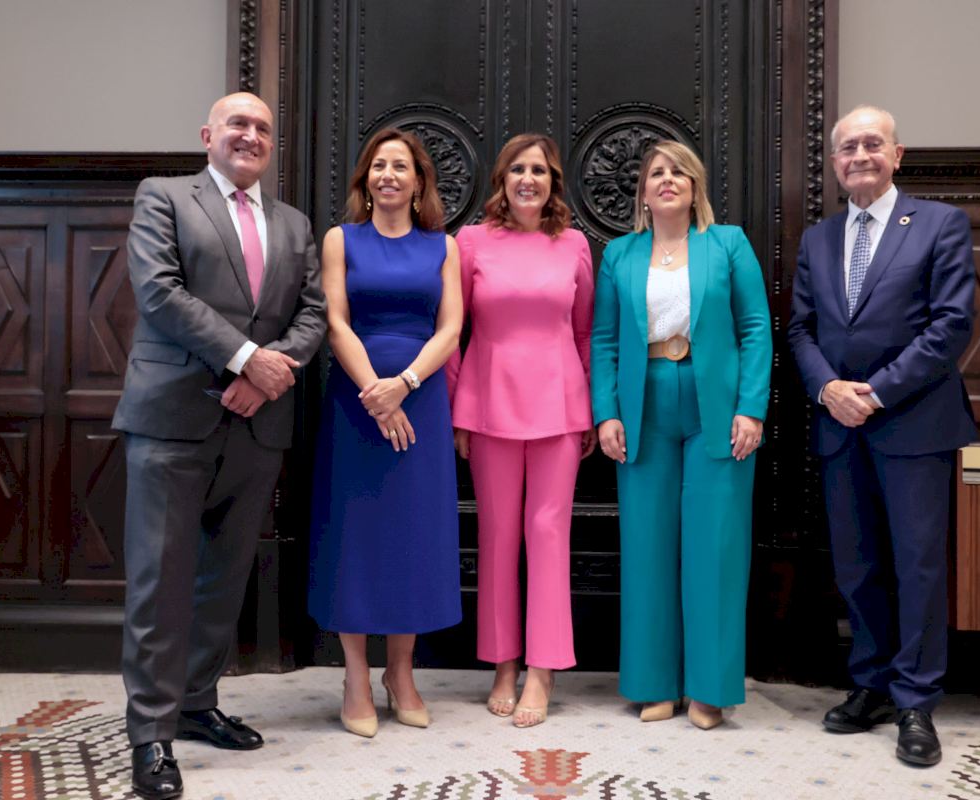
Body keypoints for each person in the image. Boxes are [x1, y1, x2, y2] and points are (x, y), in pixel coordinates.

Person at [112, 92, 326, 800]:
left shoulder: (294, 225)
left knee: (223, 579)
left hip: (256, 427)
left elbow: (313, 313)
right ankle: (151, 733)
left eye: (263, 127)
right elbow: (159, 292)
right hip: (172, 419)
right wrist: (246, 359)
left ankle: (197, 703)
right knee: (160, 582)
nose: (251, 135)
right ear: (208, 134)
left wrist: (267, 376)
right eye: (238, 123)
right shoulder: (164, 197)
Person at [787, 105, 976, 767]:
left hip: (913, 423)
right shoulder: (818, 239)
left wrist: (876, 391)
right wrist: (827, 389)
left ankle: (916, 700)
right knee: (857, 564)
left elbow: (951, 325)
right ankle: (869, 683)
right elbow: (800, 330)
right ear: (834, 163)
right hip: (839, 427)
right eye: (848, 147)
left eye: (873, 144)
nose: (860, 155)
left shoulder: (940, 223)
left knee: (918, 565)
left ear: (897, 155)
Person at [591, 140, 771, 730]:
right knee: (647, 547)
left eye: (678, 173)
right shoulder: (619, 254)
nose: (667, 180)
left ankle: (709, 689)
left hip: (715, 402)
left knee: (716, 548)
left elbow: (755, 327)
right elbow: (604, 339)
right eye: (656, 173)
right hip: (643, 405)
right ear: (643, 191)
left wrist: (751, 408)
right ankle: (653, 684)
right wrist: (606, 413)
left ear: (695, 188)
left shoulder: (728, 244)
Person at [307, 128, 463, 738]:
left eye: (401, 166)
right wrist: (376, 391)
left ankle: (401, 672)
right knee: (354, 532)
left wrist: (405, 384)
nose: (389, 175)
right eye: (379, 165)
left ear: (419, 182)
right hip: (355, 401)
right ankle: (354, 676)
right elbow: (335, 321)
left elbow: (451, 329)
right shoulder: (340, 239)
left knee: (411, 534)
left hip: (421, 402)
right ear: (365, 180)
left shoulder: (443, 247)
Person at [446, 133, 595, 728]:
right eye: (517, 170)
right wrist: (458, 410)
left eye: (539, 170)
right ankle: (503, 662)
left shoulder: (574, 244)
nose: (528, 179)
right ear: (502, 181)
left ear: (553, 182)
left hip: (560, 406)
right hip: (488, 404)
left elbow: (584, 332)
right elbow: (452, 329)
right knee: (498, 534)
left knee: (548, 531)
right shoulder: (471, 242)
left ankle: (543, 667)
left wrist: (590, 410)